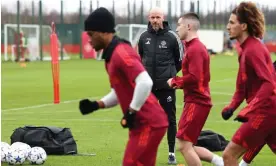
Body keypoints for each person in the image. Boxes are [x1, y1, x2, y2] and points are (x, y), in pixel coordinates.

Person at [79, 7, 168, 166]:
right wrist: (97, 104)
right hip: (143, 124)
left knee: (130, 163)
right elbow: (119, 92)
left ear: (104, 32)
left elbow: (145, 82)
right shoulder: (110, 57)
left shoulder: (121, 52)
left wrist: (132, 111)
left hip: (148, 123)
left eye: (91, 34)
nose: (89, 40)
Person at [221, 2, 276, 166]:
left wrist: (249, 109)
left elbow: (269, 84)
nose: (227, 27)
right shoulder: (245, 50)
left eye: (231, 23)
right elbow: (241, 87)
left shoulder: (253, 50)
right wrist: (231, 107)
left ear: (243, 26)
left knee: (229, 155)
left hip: (264, 111)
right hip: (269, 110)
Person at [167, 13, 224, 166]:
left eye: (179, 24)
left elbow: (194, 77)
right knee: (189, 145)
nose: (177, 28)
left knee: (184, 146)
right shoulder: (192, 47)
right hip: (196, 100)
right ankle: (220, 162)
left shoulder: (196, 49)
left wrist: (174, 81)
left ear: (188, 26)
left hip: (197, 102)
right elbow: (204, 77)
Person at [138, 7, 184, 164]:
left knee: (170, 120)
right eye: (152, 17)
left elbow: (180, 62)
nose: (155, 20)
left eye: (158, 17)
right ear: (149, 18)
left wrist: (169, 76)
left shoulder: (173, 37)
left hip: (166, 87)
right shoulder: (144, 37)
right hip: (148, 87)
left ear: (163, 18)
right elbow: (141, 58)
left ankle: (171, 152)